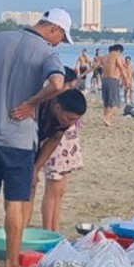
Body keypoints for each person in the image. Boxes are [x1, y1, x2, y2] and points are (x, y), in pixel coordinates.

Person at [0, 9, 70, 267]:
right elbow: (58, 83)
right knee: (15, 202)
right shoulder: (47, 53)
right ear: (55, 30)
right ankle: (12, 266)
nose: (59, 43)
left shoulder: (0, 39)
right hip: (18, 139)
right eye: (61, 37)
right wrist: (31, 103)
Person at [35, 89, 89, 233]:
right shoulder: (47, 109)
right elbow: (52, 140)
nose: (71, 123)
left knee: (60, 191)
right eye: (70, 119)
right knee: (52, 190)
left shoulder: (65, 121)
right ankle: (47, 230)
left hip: (66, 151)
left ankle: (55, 229)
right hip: (55, 153)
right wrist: (36, 168)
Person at [97, 44, 130, 126]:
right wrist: (126, 80)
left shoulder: (104, 57)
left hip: (104, 80)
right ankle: (106, 117)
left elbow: (94, 66)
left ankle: (108, 121)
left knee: (107, 103)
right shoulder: (117, 56)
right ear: (119, 51)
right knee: (116, 103)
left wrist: (83, 74)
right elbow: (121, 68)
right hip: (113, 80)